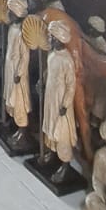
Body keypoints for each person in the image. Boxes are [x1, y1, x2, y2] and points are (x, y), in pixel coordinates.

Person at [42, 20, 77, 171]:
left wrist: (65, 104)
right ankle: (51, 152)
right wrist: (42, 81)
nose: (49, 38)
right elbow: (48, 71)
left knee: (62, 131)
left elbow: (71, 85)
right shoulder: (52, 54)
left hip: (61, 100)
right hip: (50, 97)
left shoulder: (67, 60)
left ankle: (65, 164)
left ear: (58, 39)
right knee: (50, 125)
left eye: (51, 36)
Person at [3, 0, 32, 138]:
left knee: (18, 99)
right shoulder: (12, 28)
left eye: (10, 11)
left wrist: (19, 73)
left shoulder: (22, 33)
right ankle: (12, 119)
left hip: (17, 71)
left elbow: (25, 56)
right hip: (10, 67)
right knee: (9, 97)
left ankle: (22, 128)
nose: (8, 13)